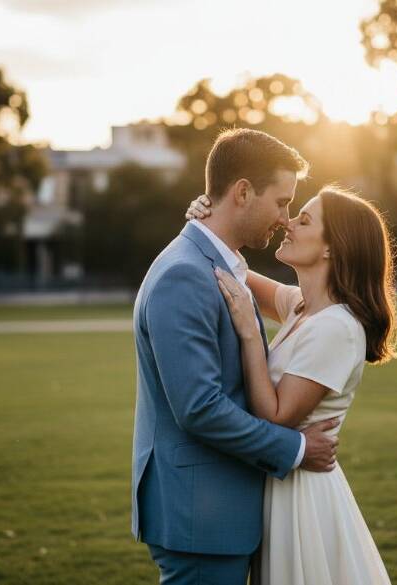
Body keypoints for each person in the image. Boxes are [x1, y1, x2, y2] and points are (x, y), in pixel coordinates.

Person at [131, 128, 340, 585]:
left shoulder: (218, 264)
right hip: (199, 516)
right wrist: (299, 448)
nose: (286, 218)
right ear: (243, 192)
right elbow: (200, 409)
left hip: (216, 511)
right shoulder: (185, 275)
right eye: (282, 202)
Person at [185, 183, 397, 584]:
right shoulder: (301, 308)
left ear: (331, 249)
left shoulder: (337, 327)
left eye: (303, 220)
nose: (287, 223)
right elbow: (230, 271)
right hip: (283, 480)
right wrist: (209, 222)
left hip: (303, 497)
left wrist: (251, 334)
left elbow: (276, 417)